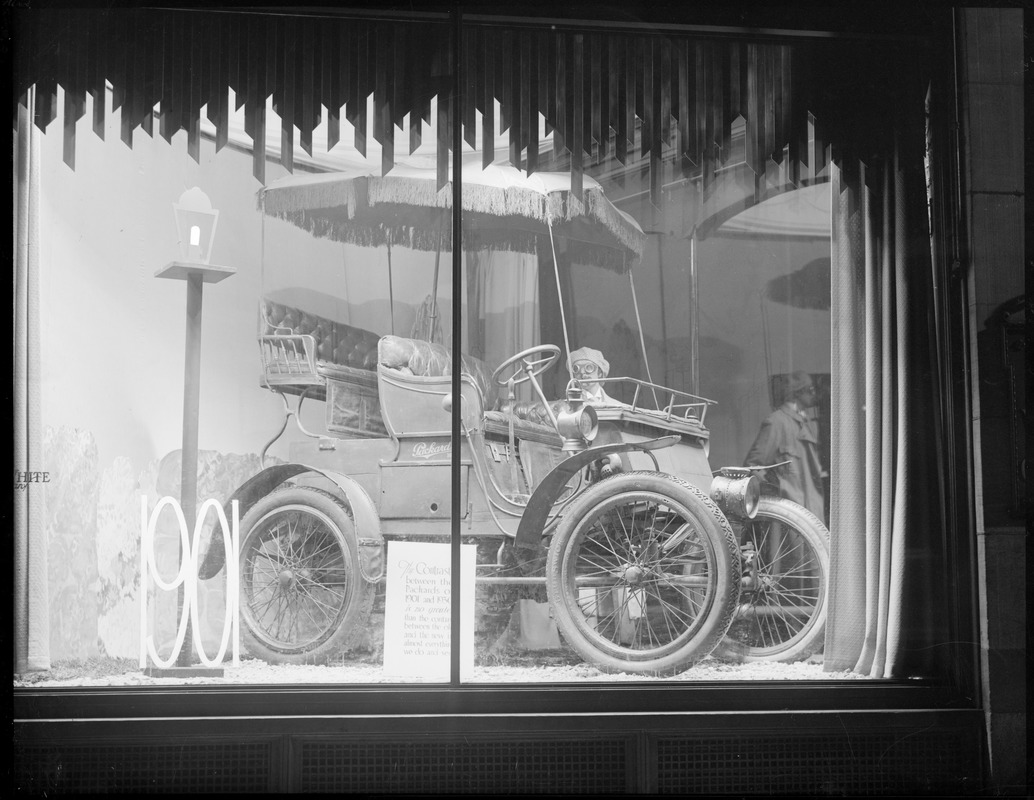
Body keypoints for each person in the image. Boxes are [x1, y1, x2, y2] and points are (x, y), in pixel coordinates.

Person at [744, 371, 827, 521]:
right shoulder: (777, 422)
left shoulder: (806, 425)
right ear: (799, 392)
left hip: (811, 515)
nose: (814, 395)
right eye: (811, 390)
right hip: (789, 517)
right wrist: (778, 496)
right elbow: (753, 467)